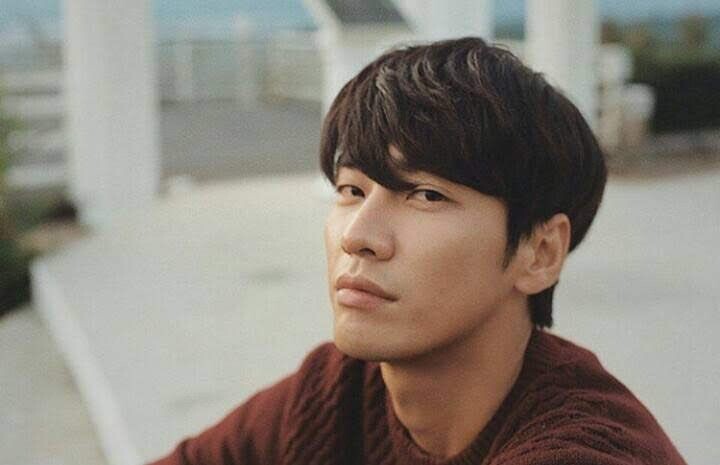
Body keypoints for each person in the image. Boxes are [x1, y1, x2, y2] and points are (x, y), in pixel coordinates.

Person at [149, 37, 686, 465]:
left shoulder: (592, 451)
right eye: (351, 190)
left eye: (427, 195)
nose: (358, 235)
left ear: (540, 252)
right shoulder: (337, 392)